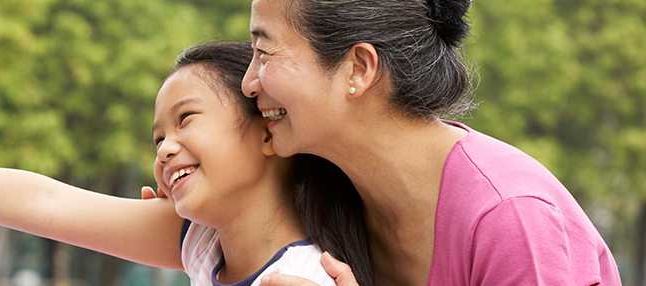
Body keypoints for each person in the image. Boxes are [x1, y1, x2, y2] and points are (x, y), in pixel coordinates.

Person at [0, 42, 373, 285]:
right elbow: (42, 203)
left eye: (187, 119)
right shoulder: (204, 242)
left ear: (267, 133)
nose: (165, 147)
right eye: (157, 138)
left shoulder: (294, 280)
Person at [240, 0, 621, 285]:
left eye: (264, 53)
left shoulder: (511, 220)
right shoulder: (316, 188)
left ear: (357, 68)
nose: (248, 83)